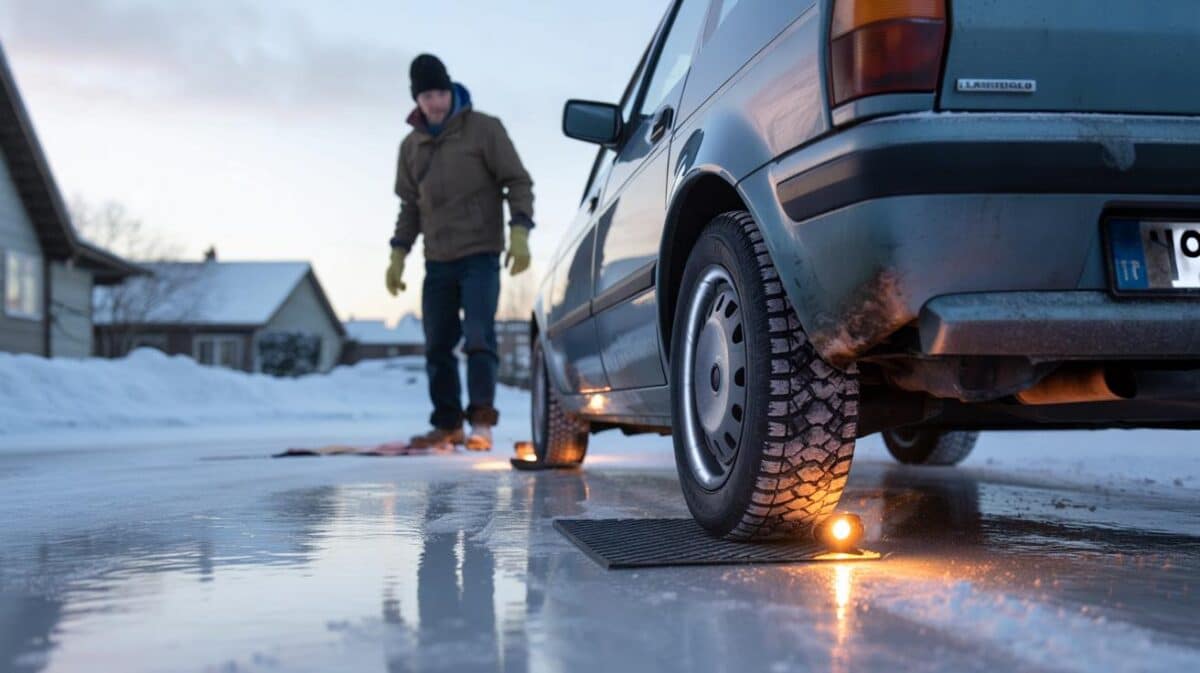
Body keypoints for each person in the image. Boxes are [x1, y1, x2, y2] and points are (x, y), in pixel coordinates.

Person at [386, 54, 533, 451]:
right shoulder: (411, 146)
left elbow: (517, 181)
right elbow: (410, 207)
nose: (435, 102)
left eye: (440, 92)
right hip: (438, 260)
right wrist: (398, 253)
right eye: (426, 95)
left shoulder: (483, 129)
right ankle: (448, 425)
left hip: (480, 255)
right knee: (437, 343)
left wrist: (519, 230)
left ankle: (481, 423)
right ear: (416, 100)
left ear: (450, 90)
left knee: (478, 336)